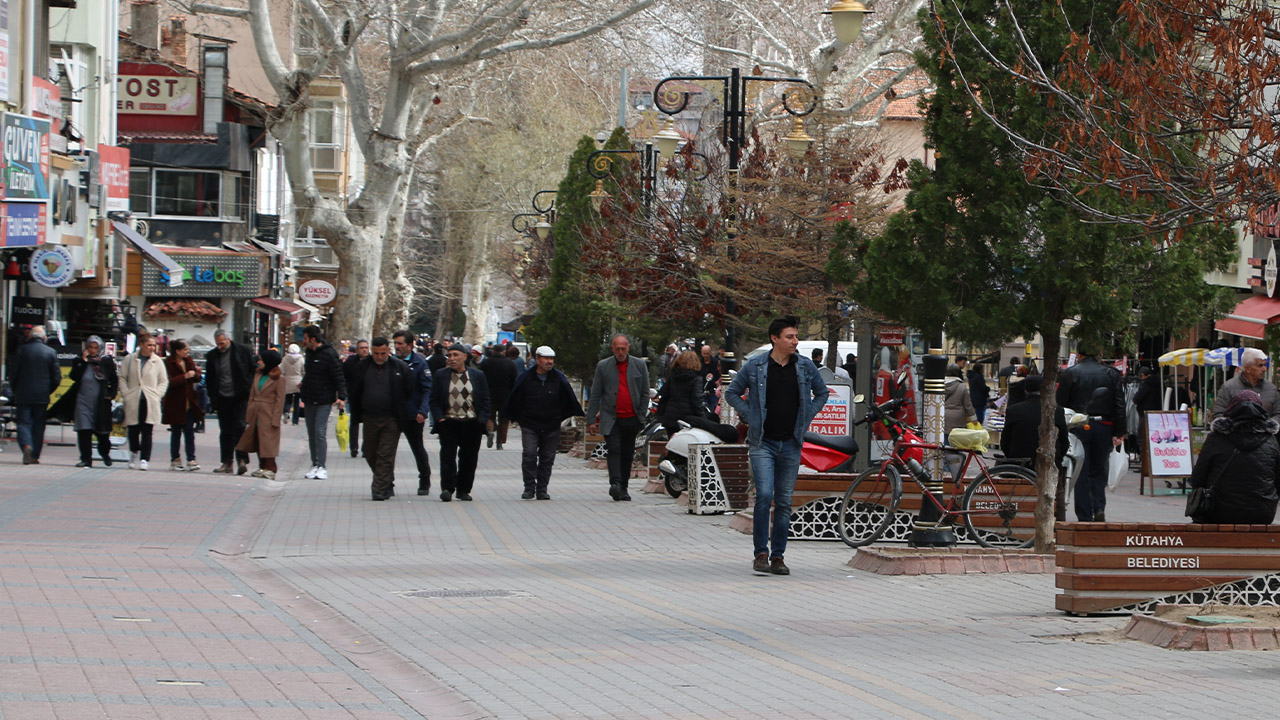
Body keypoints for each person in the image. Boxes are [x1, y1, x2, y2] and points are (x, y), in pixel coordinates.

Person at [727, 317, 829, 576]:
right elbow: (731, 393)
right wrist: (750, 415)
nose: (795, 342)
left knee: (783, 501)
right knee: (763, 495)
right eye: (790, 337)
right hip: (763, 442)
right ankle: (760, 553)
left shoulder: (804, 366)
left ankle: (778, 556)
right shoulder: (756, 366)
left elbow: (823, 392)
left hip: (791, 442)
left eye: (796, 337)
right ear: (775, 338)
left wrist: (807, 415)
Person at [1056, 345, 1126, 522]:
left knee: (1080, 470)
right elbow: (1119, 404)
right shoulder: (1111, 374)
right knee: (1098, 469)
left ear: (1078, 354)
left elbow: (1061, 403)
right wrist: (1120, 431)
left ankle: (1084, 513)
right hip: (1104, 425)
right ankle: (1099, 506)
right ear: (1099, 353)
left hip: (1078, 426)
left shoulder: (1070, 373)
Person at [1189, 390, 1280, 524]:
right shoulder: (1271, 441)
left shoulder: (1216, 437)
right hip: (1262, 513)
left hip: (1218, 511)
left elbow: (1197, 480)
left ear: (1231, 409)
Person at [505, 345, 584, 500]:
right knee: (529, 454)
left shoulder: (558, 379)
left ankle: (542, 488)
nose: (549, 362)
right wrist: (520, 418)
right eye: (546, 358)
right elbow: (516, 399)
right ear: (538, 359)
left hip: (551, 425)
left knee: (547, 457)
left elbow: (567, 400)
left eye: (551, 359)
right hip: (530, 425)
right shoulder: (526, 378)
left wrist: (560, 417)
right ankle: (529, 487)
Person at [350, 337, 417, 500]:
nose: (379, 357)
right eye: (376, 353)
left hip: (391, 419)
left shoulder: (399, 367)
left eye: (383, 353)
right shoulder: (362, 367)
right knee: (370, 452)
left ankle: (379, 489)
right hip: (369, 417)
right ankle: (387, 481)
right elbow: (354, 389)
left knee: (385, 454)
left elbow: (409, 391)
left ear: (389, 351)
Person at [586, 334, 650, 501]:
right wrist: (591, 419)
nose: (620, 352)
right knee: (614, 449)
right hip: (610, 417)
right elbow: (595, 394)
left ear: (628, 347)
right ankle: (615, 483)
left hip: (632, 417)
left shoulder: (639, 365)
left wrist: (641, 415)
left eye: (623, 348)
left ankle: (624, 488)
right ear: (612, 349)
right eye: (617, 349)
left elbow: (645, 392)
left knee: (627, 453)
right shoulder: (604, 366)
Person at [1001, 375, 1070, 520]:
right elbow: (1064, 441)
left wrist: (1011, 456)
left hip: (1019, 464)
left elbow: (1005, 441)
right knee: (1058, 490)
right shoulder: (1056, 411)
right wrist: (1058, 457)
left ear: (1026, 390)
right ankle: (1059, 524)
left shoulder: (1014, 410)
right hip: (1048, 462)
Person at [430, 344, 490, 501]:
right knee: (447, 457)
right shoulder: (441, 375)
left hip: (472, 423)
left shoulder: (477, 375)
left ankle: (463, 489)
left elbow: (485, 399)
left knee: (469, 458)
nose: (452, 358)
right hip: (449, 422)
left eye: (455, 355)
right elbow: (434, 399)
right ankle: (447, 488)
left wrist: (481, 419)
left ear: (465, 356)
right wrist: (440, 419)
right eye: (449, 355)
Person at [300, 326, 348, 479]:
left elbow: (338, 376)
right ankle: (314, 464)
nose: (304, 341)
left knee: (319, 432)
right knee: (311, 432)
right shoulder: (309, 353)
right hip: (309, 398)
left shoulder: (329, 354)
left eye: (305, 338)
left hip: (324, 399)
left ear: (313, 339)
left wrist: (341, 396)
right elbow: (309, 374)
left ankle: (322, 465)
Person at [204, 329, 254, 475]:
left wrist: (248, 385)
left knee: (239, 427)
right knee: (225, 430)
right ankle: (226, 462)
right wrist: (212, 396)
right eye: (218, 344)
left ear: (228, 339)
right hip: (222, 397)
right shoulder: (212, 356)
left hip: (240, 395)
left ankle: (242, 460)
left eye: (222, 343)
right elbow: (210, 378)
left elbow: (252, 368)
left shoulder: (242, 350)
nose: (220, 346)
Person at [9, 325, 60, 465]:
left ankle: (26, 445)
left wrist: (15, 389)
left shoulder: (21, 351)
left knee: (23, 423)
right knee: (39, 425)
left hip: (23, 394)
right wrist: (48, 390)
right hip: (42, 395)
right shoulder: (51, 352)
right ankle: (35, 455)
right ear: (44, 338)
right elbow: (56, 378)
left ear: (29, 336)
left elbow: (13, 374)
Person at [392, 330, 434, 495]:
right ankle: (387, 482)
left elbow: (427, 389)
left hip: (412, 414)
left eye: (400, 344)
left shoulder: (420, 363)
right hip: (393, 414)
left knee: (417, 448)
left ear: (410, 345)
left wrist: (423, 411)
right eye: (395, 343)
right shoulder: (391, 362)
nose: (397, 347)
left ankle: (425, 479)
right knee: (388, 451)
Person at [120, 332, 169, 470]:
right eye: (149, 345)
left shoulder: (158, 361)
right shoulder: (130, 359)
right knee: (133, 430)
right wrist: (126, 393)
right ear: (141, 345)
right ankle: (134, 451)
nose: (152, 348)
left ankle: (145, 459)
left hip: (150, 400)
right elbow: (122, 377)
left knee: (148, 430)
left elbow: (163, 381)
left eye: (154, 345)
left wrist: (157, 394)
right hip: (133, 399)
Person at [236, 349, 286, 480]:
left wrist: (276, 418)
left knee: (268, 442)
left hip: (268, 413)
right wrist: (249, 413)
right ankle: (262, 466)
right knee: (258, 440)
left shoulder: (279, 379)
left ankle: (271, 468)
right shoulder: (258, 375)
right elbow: (252, 394)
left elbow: (280, 400)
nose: (259, 362)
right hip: (256, 412)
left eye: (261, 360)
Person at [69, 336, 118, 468]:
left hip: (100, 402)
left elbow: (114, 380)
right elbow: (73, 376)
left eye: (95, 348)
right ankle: (86, 459)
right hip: (83, 400)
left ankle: (105, 453)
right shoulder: (80, 360)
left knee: (102, 433)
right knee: (84, 430)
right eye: (90, 347)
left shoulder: (106, 361)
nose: (92, 350)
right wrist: (83, 362)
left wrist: (110, 395)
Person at [162, 340, 203, 471]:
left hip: (189, 402)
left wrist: (197, 374)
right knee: (176, 432)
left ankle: (191, 459)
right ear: (177, 351)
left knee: (189, 431)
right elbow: (168, 382)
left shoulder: (188, 361)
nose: (187, 352)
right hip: (175, 402)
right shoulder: (168, 363)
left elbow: (196, 378)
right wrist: (184, 376)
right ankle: (175, 459)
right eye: (185, 349)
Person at [1211, 348, 1280, 421]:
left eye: (1265, 365)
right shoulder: (1228, 387)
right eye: (1260, 365)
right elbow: (1218, 413)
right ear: (1248, 368)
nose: (1264, 369)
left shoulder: (1271, 388)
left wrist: (1267, 427)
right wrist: (1235, 427)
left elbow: (1278, 414)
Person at [478, 344, 518, 450]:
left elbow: (480, 379)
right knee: (504, 420)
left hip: (489, 395)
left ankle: (490, 431)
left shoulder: (485, 363)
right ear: (503, 352)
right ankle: (500, 443)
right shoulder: (510, 364)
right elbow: (515, 381)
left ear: (494, 351)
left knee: (489, 417)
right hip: (505, 396)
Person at [658, 350, 707, 435]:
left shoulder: (673, 376)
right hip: (688, 418)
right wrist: (703, 419)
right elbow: (696, 400)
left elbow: (664, 393)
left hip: (671, 416)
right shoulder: (696, 378)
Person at [342, 339, 370, 456]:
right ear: (357, 350)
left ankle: (366, 448)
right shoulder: (350, 361)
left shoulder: (372, 361)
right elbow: (344, 377)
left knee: (368, 424)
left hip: (369, 397)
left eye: (366, 348)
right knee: (354, 422)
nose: (364, 350)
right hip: (354, 397)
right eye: (362, 348)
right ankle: (354, 448)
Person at [943, 363, 976, 434]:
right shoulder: (962, 386)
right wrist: (973, 418)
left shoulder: (940, 386)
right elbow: (968, 405)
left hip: (943, 415)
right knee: (957, 440)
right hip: (958, 418)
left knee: (945, 438)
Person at [282, 343, 304, 425]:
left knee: (288, 400)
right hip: (298, 381)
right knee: (297, 402)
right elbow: (303, 371)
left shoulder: (285, 359)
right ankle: (295, 421)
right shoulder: (301, 359)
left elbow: (282, 370)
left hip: (288, 381)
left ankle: (286, 412)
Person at [699, 344, 722, 414]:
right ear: (701, 353)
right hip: (701, 390)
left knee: (712, 411)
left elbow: (720, 374)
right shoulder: (698, 362)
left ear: (710, 353)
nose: (705, 356)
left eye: (707, 354)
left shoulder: (716, 362)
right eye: (704, 354)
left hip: (713, 392)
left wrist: (717, 383)